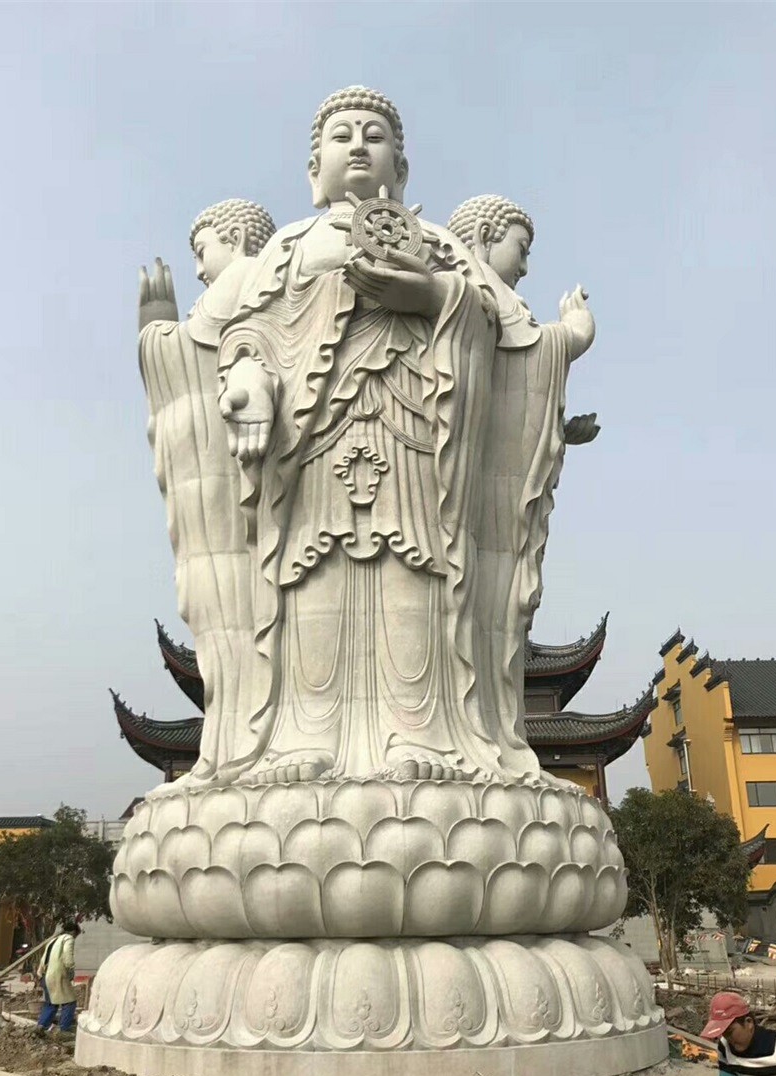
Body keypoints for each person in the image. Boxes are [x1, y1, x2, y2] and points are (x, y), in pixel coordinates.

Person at [215, 86, 560, 786]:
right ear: (314, 167)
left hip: (418, 433)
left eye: (374, 136)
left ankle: (421, 729)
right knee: (310, 574)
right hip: (313, 437)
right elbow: (246, 330)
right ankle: (302, 733)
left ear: (400, 167)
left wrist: (433, 297)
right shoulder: (291, 246)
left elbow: (497, 327)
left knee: (417, 572)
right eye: (342, 135)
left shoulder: (437, 244)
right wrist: (247, 377)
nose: (358, 146)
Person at [446, 194, 594, 778]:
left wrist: (555, 431)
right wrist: (572, 335)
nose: (526, 266)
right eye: (521, 248)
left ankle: (497, 734)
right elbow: (514, 364)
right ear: (485, 234)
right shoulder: (469, 289)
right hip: (458, 503)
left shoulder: (501, 299)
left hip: (498, 501)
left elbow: (510, 402)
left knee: (505, 612)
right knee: (475, 607)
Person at [137, 200, 277, 781]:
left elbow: (217, 359)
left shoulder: (248, 282)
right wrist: (163, 337)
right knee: (223, 614)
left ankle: (244, 741)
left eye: (203, 251)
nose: (198, 268)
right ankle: (235, 739)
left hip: (233, 484)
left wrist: (155, 336)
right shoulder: (231, 293)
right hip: (218, 477)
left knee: (234, 608)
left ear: (238, 236)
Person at [34, 920, 81, 1038]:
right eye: (76, 935)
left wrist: (39, 974)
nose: (75, 937)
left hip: (45, 975)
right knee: (70, 1002)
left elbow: (43, 959)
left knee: (50, 1003)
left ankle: (41, 1026)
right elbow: (68, 957)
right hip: (57, 975)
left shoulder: (53, 940)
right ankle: (63, 1030)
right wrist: (71, 970)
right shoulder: (68, 939)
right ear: (73, 932)